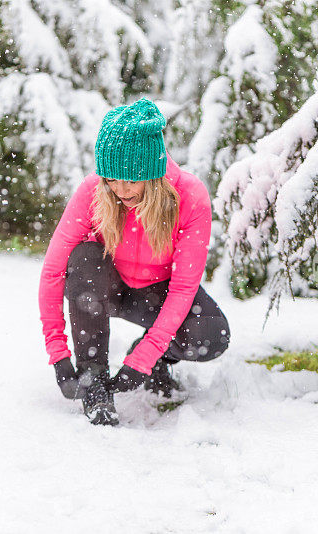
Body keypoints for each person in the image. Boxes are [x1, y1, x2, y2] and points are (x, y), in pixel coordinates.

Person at [38, 98, 230, 426]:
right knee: (83, 258)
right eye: (111, 179)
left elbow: (185, 288)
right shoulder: (94, 192)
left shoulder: (191, 197)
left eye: (130, 179)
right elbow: (53, 269)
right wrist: (58, 354)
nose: (120, 190)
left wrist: (144, 357)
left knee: (212, 335)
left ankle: (158, 360)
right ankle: (94, 380)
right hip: (105, 286)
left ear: (152, 173)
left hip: (158, 294)